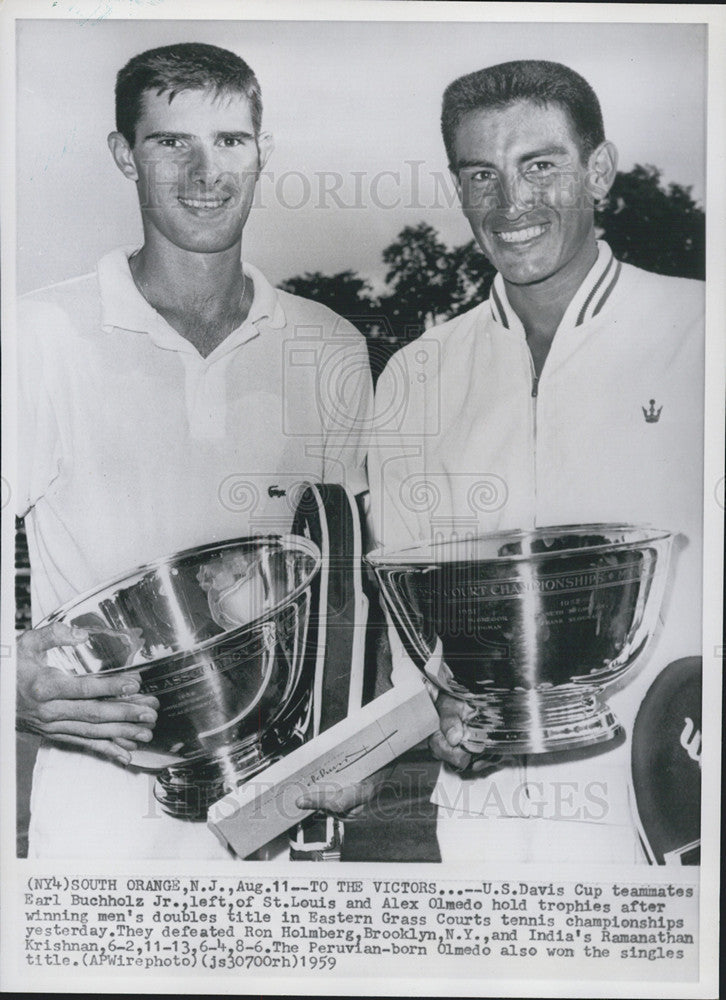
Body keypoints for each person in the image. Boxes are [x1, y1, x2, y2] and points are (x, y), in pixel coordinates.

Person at [16, 42, 373, 859]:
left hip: (286, 821)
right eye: (171, 141)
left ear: (262, 154)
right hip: (101, 819)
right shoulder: (38, 335)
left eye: (231, 141)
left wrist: (360, 742)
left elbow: (348, 580)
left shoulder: (329, 343)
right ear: (123, 155)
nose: (204, 170)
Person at [368, 60, 703, 863]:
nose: (510, 203)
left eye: (539, 165)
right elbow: (412, 622)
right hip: (483, 822)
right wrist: (435, 711)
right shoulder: (416, 373)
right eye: (480, 174)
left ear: (598, 169)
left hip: (674, 809)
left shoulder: (702, 331)